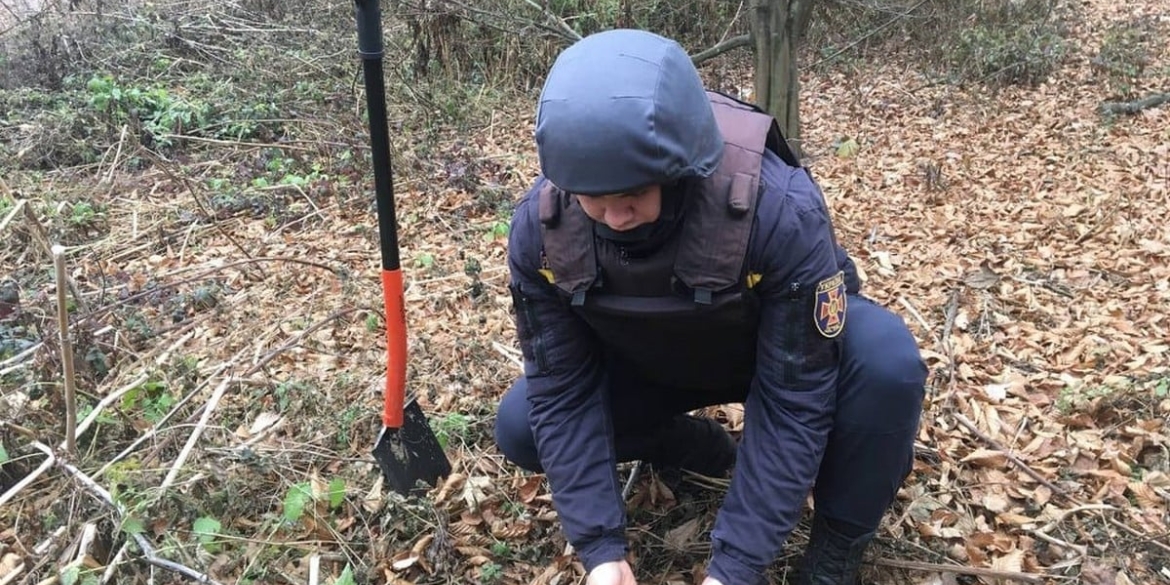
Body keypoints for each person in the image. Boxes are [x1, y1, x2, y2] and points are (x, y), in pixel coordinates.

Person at [493, 28, 927, 585]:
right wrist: (599, 550)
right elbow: (562, 389)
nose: (614, 217)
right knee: (521, 423)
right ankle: (693, 446)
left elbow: (795, 396)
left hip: (769, 353)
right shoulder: (541, 229)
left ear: (679, 170)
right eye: (593, 201)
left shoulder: (778, 210)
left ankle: (838, 542)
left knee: (887, 362)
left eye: (630, 196)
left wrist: (735, 568)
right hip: (648, 362)